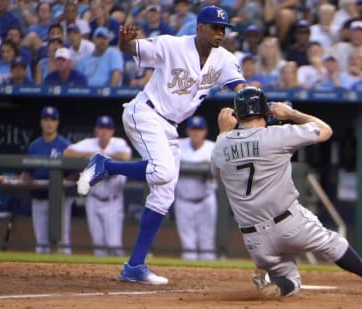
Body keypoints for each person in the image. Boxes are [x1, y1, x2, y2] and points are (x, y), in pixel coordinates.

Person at [76, 5, 246, 284]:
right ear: (199, 27)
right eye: (214, 27)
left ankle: (134, 266)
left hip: (169, 127)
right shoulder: (172, 45)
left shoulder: (224, 59)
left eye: (223, 29)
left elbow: (239, 85)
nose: (220, 33)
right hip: (145, 113)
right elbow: (132, 48)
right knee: (163, 172)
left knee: (164, 194)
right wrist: (125, 40)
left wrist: (249, 94)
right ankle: (105, 165)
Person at [210, 86, 362, 297]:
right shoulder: (277, 135)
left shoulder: (221, 144)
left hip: (254, 238)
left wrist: (224, 132)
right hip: (289, 223)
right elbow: (325, 130)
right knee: (333, 243)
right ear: (264, 110)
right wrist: (291, 114)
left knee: (291, 280)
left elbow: (216, 174)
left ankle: (275, 282)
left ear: (237, 114)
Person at [64, 116, 131, 256]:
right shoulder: (89, 143)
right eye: (101, 128)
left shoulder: (118, 143)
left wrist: (102, 157)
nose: (104, 132)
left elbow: (126, 156)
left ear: (112, 131)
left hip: (113, 200)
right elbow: (67, 153)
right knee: (98, 243)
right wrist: (91, 154)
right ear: (96, 130)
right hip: (93, 199)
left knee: (114, 244)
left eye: (107, 129)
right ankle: (102, 276)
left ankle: (121, 272)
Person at [21, 106, 74, 254]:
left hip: (60, 198)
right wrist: (24, 177)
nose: (49, 123)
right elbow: (28, 172)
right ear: (41, 122)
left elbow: (75, 172)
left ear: (57, 123)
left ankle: (67, 274)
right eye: (46, 119)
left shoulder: (66, 146)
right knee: (41, 240)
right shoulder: (34, 146)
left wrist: (66, 181)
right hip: (39, 197)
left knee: (62, 238)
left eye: (52, 120)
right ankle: (41, 274)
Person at [174, 116, 218, 260]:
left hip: (205, 200)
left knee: (207, 243)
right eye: (193, 129)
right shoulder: (178, 145)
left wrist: (207, 168)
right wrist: (202, 166)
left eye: (199, 130)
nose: (196, 133)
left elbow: (219, 172)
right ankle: (189, 280)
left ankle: (210, 279)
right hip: (183, 200)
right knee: (188, 244)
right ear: (188, 130)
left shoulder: (213, 147)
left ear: (205, 131)